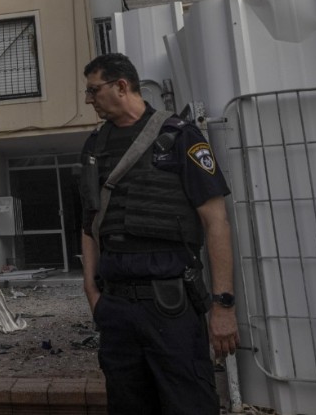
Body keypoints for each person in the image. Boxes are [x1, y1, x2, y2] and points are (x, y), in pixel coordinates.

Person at [78, 53, 239, 414]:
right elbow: (89, 225)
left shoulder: (180, 135)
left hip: (171, 305)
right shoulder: (94, 146)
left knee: (189, 403)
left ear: (121, 86)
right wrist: (92, 291)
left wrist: (222, 304)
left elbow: (216, 221)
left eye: (93, 90)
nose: (88, 100)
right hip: (116, 307)